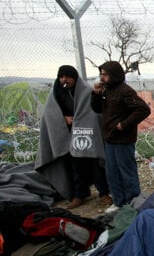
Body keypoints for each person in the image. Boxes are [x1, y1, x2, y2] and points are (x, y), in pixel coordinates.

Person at [35, 65, 111, 209]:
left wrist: (77, 121)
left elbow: (94, 113)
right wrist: (63, 119)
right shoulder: (57, 92)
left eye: (68, 77)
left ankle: (104, 193)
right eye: (61, 77)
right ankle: (79, 195)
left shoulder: (86, 91)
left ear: (75, 78)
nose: (65, 80)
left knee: (96, 164)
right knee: (76, 166)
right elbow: (49, 114)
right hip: (68, 136)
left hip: (87, 134)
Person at [91, 61, 151, 213]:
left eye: (105, 74)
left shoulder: (125, 91)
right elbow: (97, 109)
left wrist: (123, 125)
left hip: (123, 139)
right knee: (112, 171)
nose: (102, 77)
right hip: (110, 138)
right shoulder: (106, 91)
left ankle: (133, 202)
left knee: (126, 170)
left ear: (114, 75)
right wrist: (96, 94)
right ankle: (118, 202)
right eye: (101, 74)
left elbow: (143, 109)